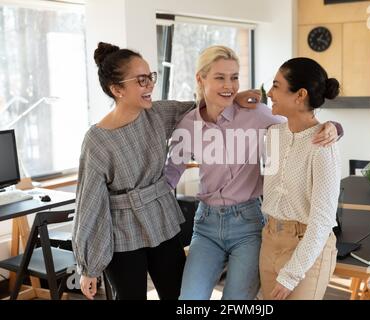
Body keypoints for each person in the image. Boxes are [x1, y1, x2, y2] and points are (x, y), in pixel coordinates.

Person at [72, 42, 257, 300]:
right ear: (117, 89)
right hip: (122, 231)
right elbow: (89, 205)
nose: (150, 85)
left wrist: (232, 95)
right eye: (141, 80)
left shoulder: (158, 114)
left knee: (178, 295)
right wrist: (88, 267)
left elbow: (203, 107)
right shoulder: (97, 140)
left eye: (150, 77)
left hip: (163, 222)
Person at [165, 46, 343, 300]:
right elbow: (169, 176)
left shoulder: (259, 115)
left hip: (248, 223)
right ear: (200, 78)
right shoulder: (188, 125)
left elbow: (302, 126)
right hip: (207, 225)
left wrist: (334, 127)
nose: (229, 85)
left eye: (234, 77)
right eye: (220, 77)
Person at [259, 57, 342, 300]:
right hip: (270, 241)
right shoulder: (273, 135)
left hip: (306, 248)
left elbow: (323, 221)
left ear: (300, 95)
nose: (270, 92)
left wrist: (291, 275)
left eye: (276, 85)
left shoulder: (323, 144)